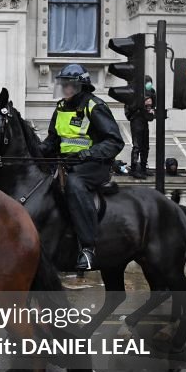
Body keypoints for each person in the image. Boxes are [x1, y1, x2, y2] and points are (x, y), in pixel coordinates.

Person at [39, 64, 125, 270]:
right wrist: (38, 150)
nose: (66, 89)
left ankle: (88, 248)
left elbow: (114, 141)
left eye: (70, 85)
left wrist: (88, 153)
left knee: (74, 185)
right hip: (66, 163)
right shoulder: (60, 107)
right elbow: (53, 139)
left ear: (81, 86)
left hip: (93, 165)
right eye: (63, 85)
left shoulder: (94, 106)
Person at [125, 75, 156, 179]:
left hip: (145, 120)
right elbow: (130, 109)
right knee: (137, 145)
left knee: (145, 146)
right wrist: (142, 103)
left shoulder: (152, 92)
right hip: (136, 120)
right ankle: (134, 169)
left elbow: (153, 107)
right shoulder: (134, 93)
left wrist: (151, 110)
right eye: (147, 82)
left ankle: (143, 168)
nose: (149, 84)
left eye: (150, 82)